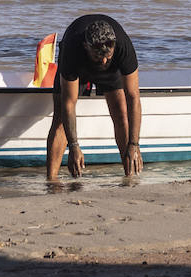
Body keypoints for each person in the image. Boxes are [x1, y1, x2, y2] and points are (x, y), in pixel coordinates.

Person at [46, 14, 143, 180]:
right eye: (99, 56)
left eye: (108, 56)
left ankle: (129, 176)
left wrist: (134, 144)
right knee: (60, 119)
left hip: (111, 73)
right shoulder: (73, 49)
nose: (104, 60)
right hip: (78, 66)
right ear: (86, 46)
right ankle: (51, 180)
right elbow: (68, 104)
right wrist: (74, 146)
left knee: (121, 114)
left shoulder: (123, 46)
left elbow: (133, 97)